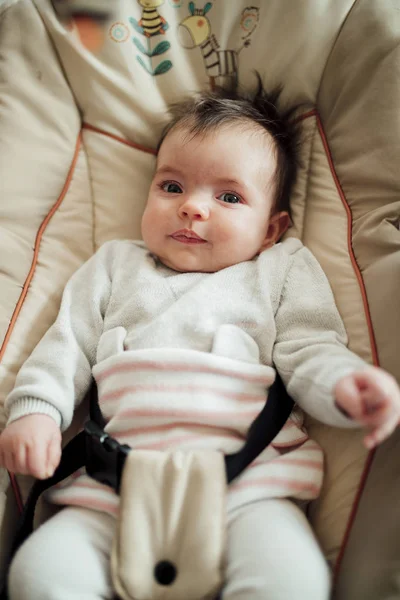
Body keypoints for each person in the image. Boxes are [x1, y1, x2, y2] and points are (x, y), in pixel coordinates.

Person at [1, 76, 399, 600]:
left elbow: (311, 348)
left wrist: (347, 384)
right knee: (39, 574)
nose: (193, 207)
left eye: (229, 196)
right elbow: (66, 343)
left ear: (271, 229)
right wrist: (35, 410)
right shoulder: (115, 265)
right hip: (114, 485)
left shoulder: (279, 268)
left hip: (246, 486)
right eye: (172, 187)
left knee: (292, 581)